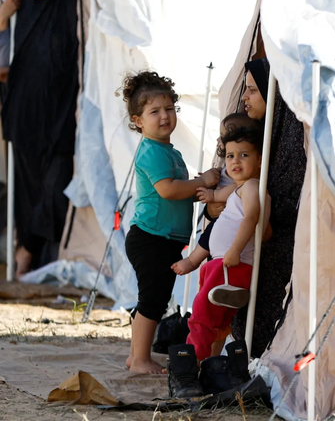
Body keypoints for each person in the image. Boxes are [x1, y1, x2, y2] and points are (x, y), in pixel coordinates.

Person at [121, 70, 220, 374]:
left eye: (169, 109)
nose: (164, 116)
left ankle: (136, 356)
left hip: (164, 240)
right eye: (154, 112)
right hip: (151, 238)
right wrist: (201, 181)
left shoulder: (169, 151)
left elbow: (178, 193)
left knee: (157, 298)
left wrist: (201, 190)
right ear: (138, 121)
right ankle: (139, 359)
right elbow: (168, 190)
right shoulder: (151, 152)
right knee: (152, 300)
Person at [167, 127, 271, 398]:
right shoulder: (244, 188)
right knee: (219, 320)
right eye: (230, 156)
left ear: (260, 160)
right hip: (221, 265)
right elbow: (230, 202)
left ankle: (189, 367)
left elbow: (251, 218)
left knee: (201, 315)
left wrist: (235, 249)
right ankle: (213, 368)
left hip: (228, 264)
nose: (235, 161)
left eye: (244, 155)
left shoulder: (251, 188)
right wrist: (211, 197)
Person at [231, 58, 307, 357]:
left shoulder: (293, 143)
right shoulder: (256, 138)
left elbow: (291, 204)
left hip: (285, 244)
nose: (244, 98)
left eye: (252, 91)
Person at [1, 0, 79, 277]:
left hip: (63, 110)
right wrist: (4, 15)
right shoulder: (15, 5)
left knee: (56, 186)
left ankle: (31, 250)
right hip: (26, 109)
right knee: (28, 191)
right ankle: (28, 257)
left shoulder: (73, 5)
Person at [171, 112, 260, 276]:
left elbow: (236, 187)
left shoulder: (248, 178)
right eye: (230, 156)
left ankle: (193, 260)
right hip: (222, 230)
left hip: (231, 223)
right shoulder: (229, 165)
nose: (219, 141)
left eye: (222, 136)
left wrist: (214, 196)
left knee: (211, 231)